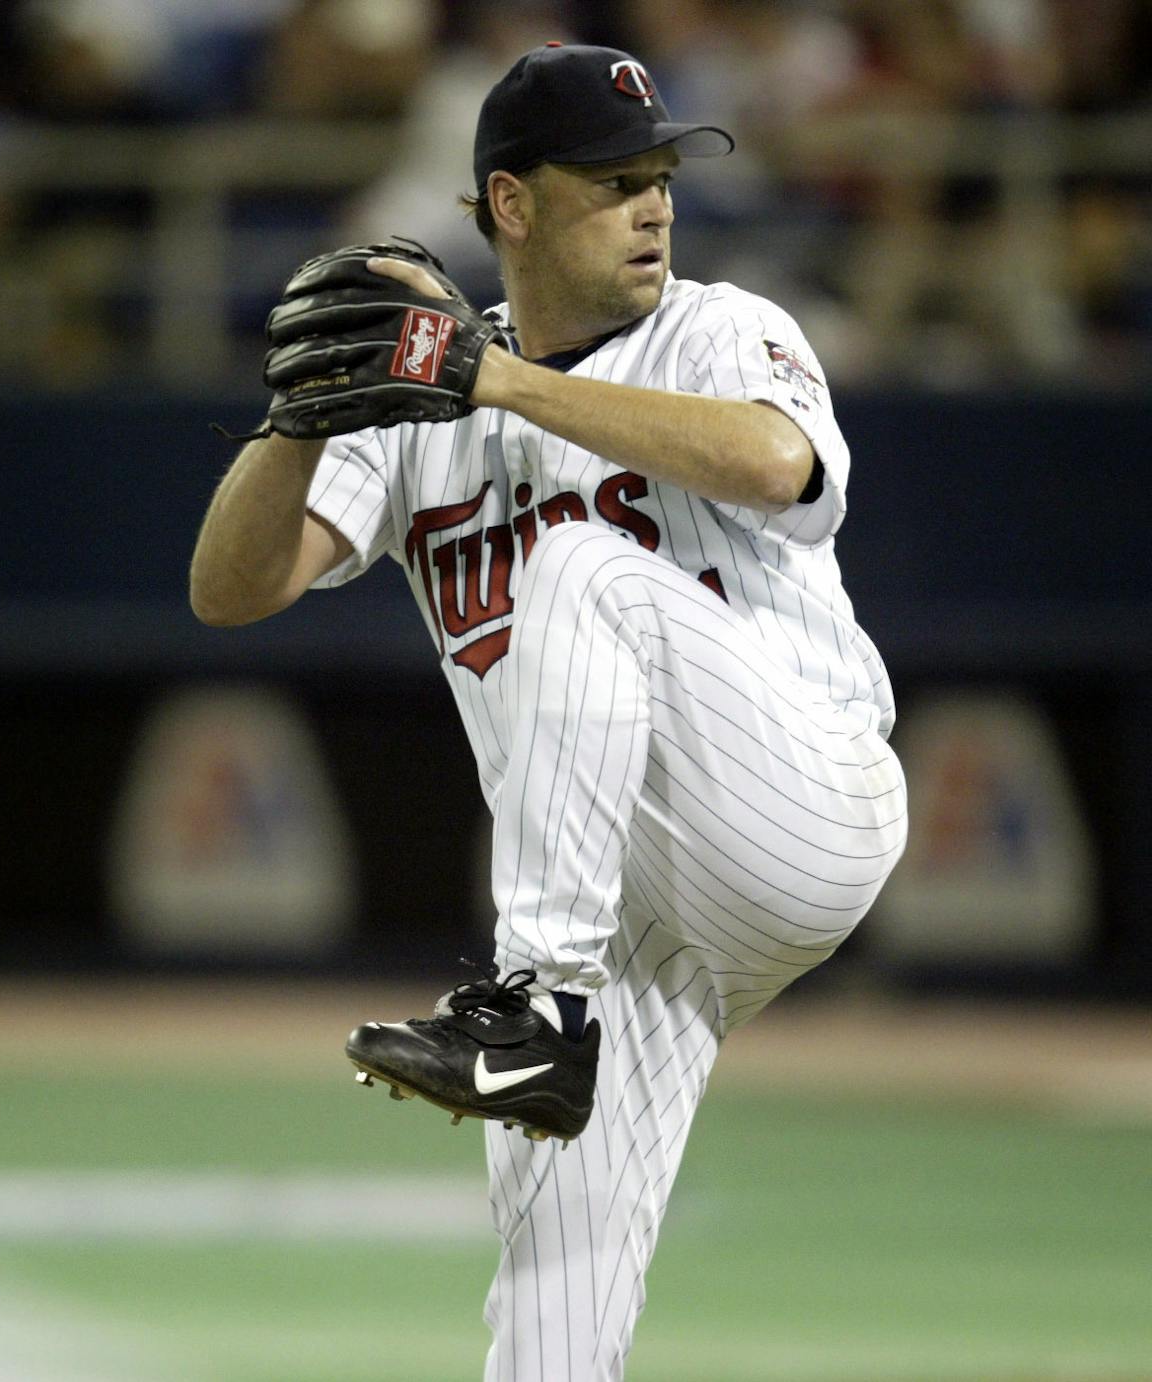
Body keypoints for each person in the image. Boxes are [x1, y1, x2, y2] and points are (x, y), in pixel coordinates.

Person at [187, 43, 907, 1379]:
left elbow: (772, 459)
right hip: (639, 910)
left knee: (573, 568)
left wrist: (495, 379)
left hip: (804, 799)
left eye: (661, 179)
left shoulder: (718, 325)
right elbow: (230, 589)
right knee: (551, 1295)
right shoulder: (423, 409)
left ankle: (538, 1013)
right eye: (615, 181)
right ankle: (546, 1031)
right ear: (510, 205)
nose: (656, 206)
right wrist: (300, 412)